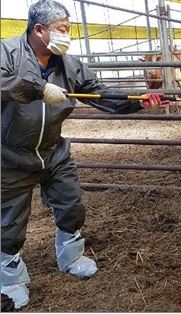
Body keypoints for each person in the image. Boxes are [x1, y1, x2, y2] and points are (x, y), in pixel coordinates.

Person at [1, 0, 169, 310]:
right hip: (9, 156)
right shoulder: (7, 52)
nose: (67, 35)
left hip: (53, 151)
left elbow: (99, 93)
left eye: (69, 29)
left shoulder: (69, 65)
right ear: (38, 29)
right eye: (61, 30)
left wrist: (138, 101)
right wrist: (38, 89)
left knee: (71, 205)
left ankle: (71, 256)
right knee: (8, 222)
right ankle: (11, 279)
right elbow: (3, 83)